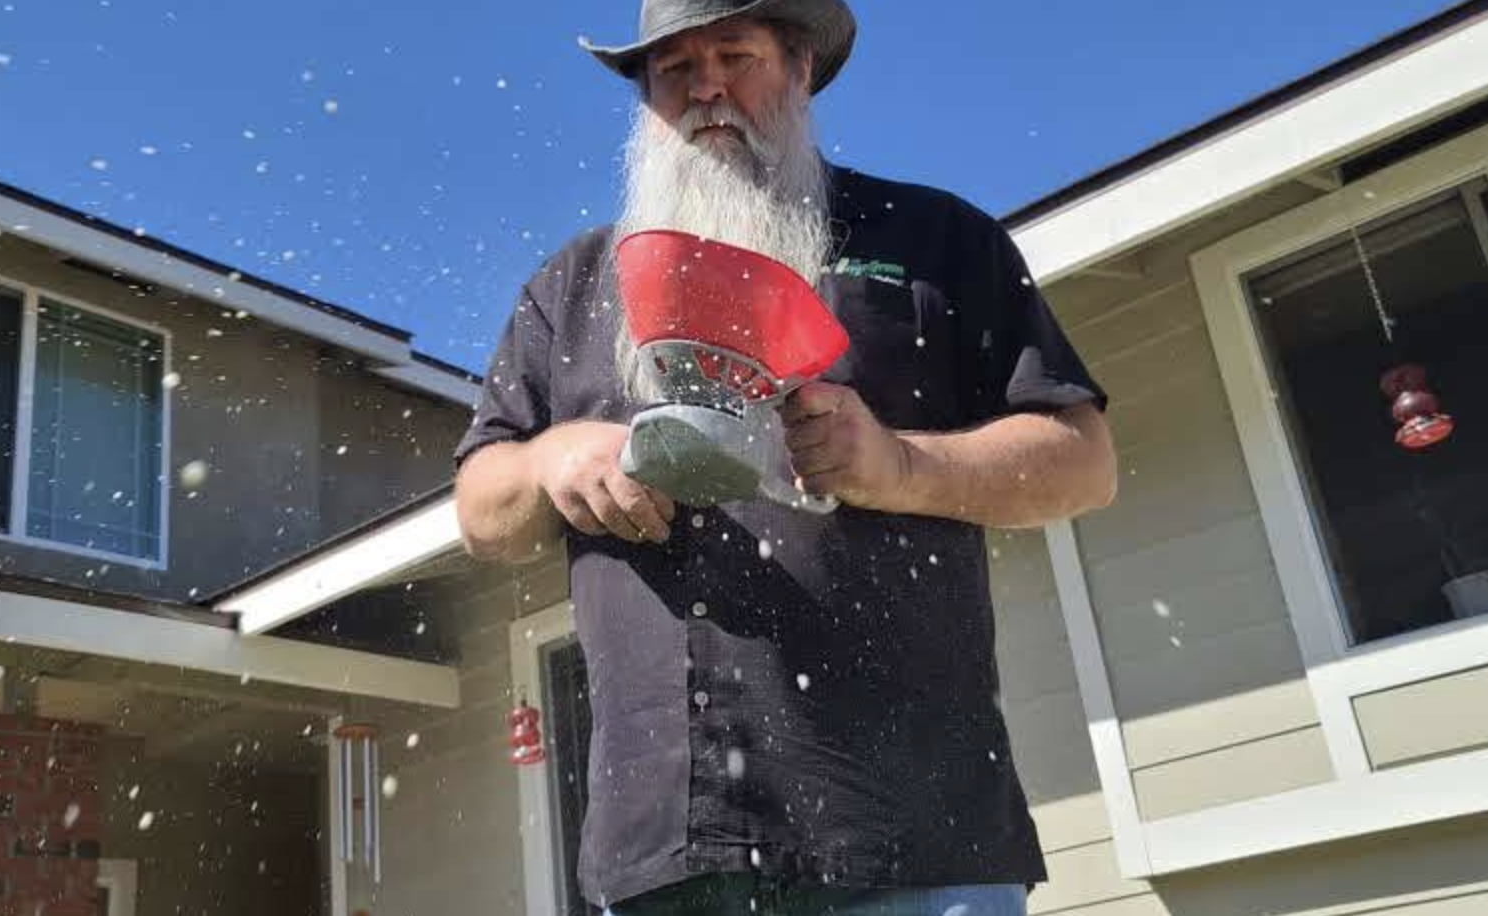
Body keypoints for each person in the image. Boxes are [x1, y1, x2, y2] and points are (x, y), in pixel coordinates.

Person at [453, 1, 1117, 913]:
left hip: (919, 835)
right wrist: (548, 462)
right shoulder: (573, 284)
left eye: (736, 54)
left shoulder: (934, 241)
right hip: (670, 848)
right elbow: (482, 513)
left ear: (801, 67)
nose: (707, 87)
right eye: (675, 69)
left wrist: (901, 466)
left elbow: (1084, 462)